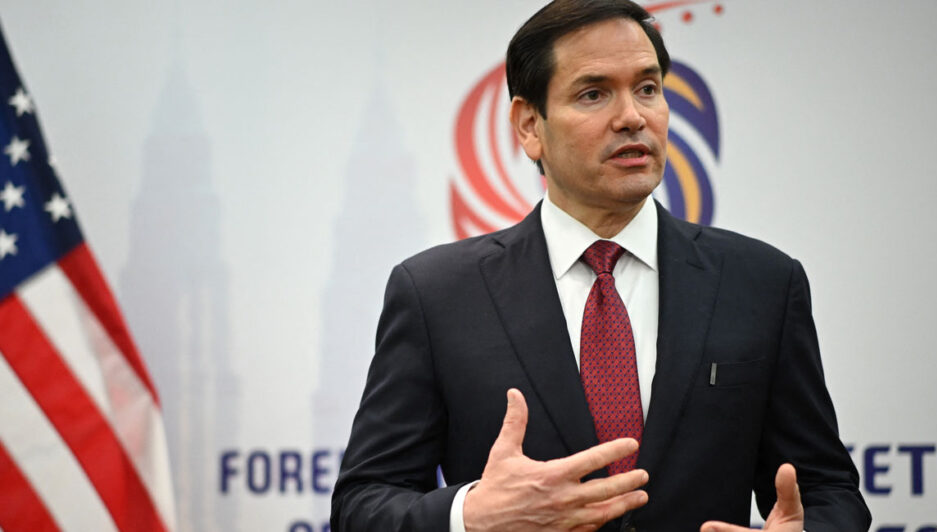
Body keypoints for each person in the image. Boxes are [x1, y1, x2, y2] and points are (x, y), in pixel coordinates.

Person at [331, 1, 871, 531]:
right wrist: (472, 515)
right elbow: (363, 503)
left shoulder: (762, 283)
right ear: (528, 126)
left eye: (648, 88)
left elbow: (827, 490)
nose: (632, 116)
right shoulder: (438, 294)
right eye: (593, 94)